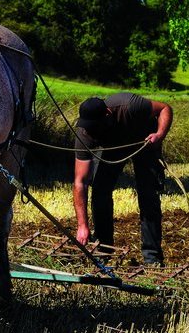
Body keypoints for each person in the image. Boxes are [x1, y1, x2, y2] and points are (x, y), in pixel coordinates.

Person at [72, 92, 173, 265]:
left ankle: (152, 258)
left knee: (148, 195)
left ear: (108, 115)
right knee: (100, 192)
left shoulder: (129, 105)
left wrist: (159, 134)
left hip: (144, 141)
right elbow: (80, 182)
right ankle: (104, 249)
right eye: (89, 127)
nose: (92, 131)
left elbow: (165, 108)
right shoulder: (85, 134)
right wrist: (82, 225)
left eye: (96, 126)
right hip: (113, 148)